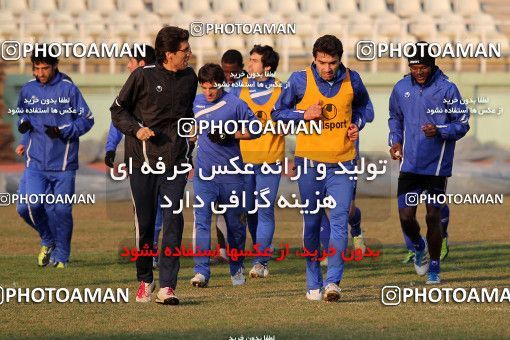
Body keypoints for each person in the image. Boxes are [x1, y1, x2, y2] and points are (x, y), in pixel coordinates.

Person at [272, 35, 373, 302]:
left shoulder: (353, 79)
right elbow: (277, 113)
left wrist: (358, 123)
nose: (327, 68)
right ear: (314, 58)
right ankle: (313, 278)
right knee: (313, 223)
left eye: (332, 62)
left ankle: (333, 283)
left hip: (343, 162)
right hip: (309, 163)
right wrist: (303, 114)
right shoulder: (299, 80)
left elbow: (366, 108)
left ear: (341, 60)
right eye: (322, 62)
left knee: (339, 220)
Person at [111, 26, 197, 304]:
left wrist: (191, 133)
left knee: (174, 220)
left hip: (176, 163)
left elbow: (187, 114)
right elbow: (118, 110)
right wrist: (136, 130)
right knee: (146, 224)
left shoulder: (189, 78)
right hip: (143, 162)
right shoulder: (142, 76)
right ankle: (145, 279)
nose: (190, 54)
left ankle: (168, 287)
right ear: (168, 54)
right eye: (185, 51)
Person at [388, 42, 469, 284]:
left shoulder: (447, 89)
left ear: (432, 65)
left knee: (432, 217)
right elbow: (395, 117)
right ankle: (419, 247)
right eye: (414, 67)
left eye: (423, 66)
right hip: (410, 165)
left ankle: (434, 267)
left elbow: (462, 123)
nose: (419, 71)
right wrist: (396, 141)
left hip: (436, 166)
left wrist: (440, 129)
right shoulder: (401, 88)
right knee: (405, 217)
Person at [16, 47, 94, 268]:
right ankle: (48, 240)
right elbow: (23, 115)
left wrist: (63, 130)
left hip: (63, 164)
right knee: (26, 207)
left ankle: (62, 255)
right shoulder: (28, 90)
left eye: (45, 68)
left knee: (61, 210)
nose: (40, 72)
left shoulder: (69, 89)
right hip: (35, 163)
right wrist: (23, 133)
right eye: (37, 68)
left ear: (54, 66)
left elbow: (87, 120)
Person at [190, 63, 260, 288]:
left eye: (212, 87)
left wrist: (231, 134)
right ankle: (201, 272)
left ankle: (237, 268)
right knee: (201, 222)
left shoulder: (236, 104)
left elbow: (256, 129)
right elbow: (190, 132)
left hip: (232, 175)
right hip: (204, 175)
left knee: (235, 226)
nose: (208, 92)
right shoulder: (195, 103)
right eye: (204, 88)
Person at [104, 45, 163, 269]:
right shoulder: (130, 88)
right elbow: (118, 119)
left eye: (131, 60)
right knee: (144, 209)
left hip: (164, 158)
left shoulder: (164, 86)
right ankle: (149, 253)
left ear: (141, 63)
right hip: (138, 160)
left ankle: (155, 253)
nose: (127, 65)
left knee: (163, 208)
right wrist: (111, 147)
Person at [229, 44, 284, 278]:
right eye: (249, 60)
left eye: (253, 61)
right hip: (243, 162)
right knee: (248, 210)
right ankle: (258, 252)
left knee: (265, 210)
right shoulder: (237, 89)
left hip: (270, 160)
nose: (248, 65)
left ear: (267, 67)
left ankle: (261, 261)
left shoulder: (283, 89)